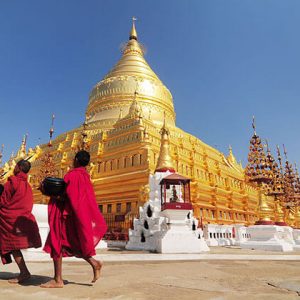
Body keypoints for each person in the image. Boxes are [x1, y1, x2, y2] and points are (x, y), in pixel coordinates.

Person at [42, 150, 107, 288]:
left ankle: (58, 279)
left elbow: (67, 197)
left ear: (76, 159)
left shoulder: (72, 175)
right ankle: (94, 263)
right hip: (76, 216)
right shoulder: (85, 177)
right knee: (72, 244)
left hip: (65, 216)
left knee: (57, 243)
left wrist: (48, 192)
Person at [0, 160, 41, 283]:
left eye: (15, 166)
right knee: (13, 247)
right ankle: (24, 272)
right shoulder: (27, 186)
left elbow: (2, 201)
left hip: (9, 219)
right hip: (20, 218)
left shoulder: (12, 183)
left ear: (18, 168)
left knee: (13, 247)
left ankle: (24, 272)